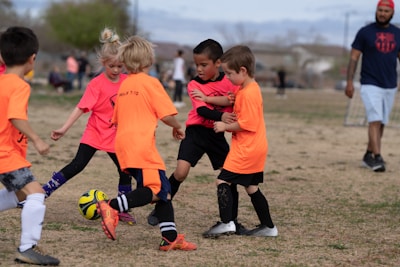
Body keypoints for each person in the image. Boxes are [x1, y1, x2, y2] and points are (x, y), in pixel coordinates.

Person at [95, 35, 197, 251]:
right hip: (141, 145)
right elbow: (166, 114)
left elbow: (116, 118)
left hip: (124, 145)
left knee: (164, 191)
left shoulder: (124, 85)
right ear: (147, 61)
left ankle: (170, 237)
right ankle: (112, 206)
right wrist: (177, 126)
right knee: (156, 190)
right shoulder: (150, 82)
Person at [147, 39, 248, 235]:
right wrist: (222, 114)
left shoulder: (230, 81)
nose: (199, 69)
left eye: (204, 65)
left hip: (216, 135)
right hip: (195, 133)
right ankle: (160, 209)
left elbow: (234, 99)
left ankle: (232, 220)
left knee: (229, 177)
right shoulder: (194, 84)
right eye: (196, 65)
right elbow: (201, 110)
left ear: (218, 63)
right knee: (180, 173)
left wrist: (228, 107)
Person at [41, 27, 136, 225]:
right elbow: (80, 108)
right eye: (112, 66)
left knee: (125, 170)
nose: (117, 70)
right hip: (95, 132)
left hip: (117, 135)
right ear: (103, 63)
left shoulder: (129, 82)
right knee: (78, 165)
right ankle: (43, 193)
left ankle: (123, 208)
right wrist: (64, 128)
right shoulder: (96, 84)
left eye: (120, 66)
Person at [202, 45, 278, 238]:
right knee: (251, 187)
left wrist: (224, 126)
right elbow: (231, 100)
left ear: (243, 70)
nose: (227, 77)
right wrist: (209, 98)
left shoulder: (249, 93)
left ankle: (227, 223)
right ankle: (268, 227)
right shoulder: (246, 88)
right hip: (254, 147)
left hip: (247, 148)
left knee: (222, 180)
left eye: (229, 73)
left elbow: (248, 124)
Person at [0, 26, 60, 265]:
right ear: (32, 58)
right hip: (6, 154)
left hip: (7, 153)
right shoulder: (20, 85)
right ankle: (27, 247)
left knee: (17, 195)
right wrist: (36, 138)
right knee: (36, 194)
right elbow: (16, 116)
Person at [345, 0, 400, 172]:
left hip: (390, 84)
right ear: (376, 11)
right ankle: (378, 158)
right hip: (370, 83)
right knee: (374, 120)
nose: (382, 13)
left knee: (381, 122)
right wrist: (349, 82)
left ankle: (368, 154)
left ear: (392, 13)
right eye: (380, 10)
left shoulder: (397, 33)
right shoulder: (365, 32)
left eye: (386, 10)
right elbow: (354, 58)